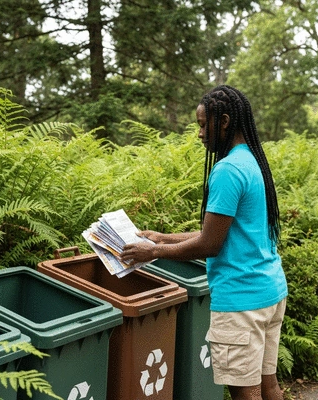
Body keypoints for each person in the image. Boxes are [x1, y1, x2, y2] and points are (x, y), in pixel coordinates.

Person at [120, 85, 288, 400]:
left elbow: (209, 245)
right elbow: (220, 232)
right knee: (269, 386)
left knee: (246, 394)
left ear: (224, 121)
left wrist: (153, 251)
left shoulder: (227, 170)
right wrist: (161, 236)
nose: (199, 134)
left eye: (202, 124)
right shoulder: (251, 160)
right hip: (270, 291)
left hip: (242, 303)